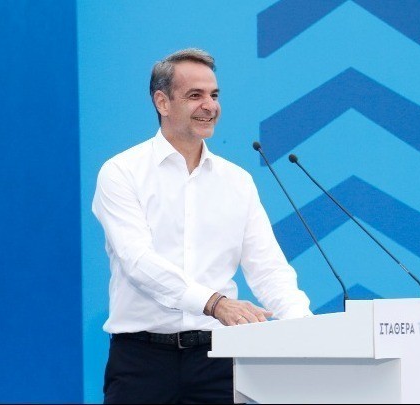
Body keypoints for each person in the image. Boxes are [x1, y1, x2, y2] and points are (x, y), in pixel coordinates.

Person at [92, 48, 312, 404]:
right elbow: (137, 261)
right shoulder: (121, 172)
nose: (210, 106)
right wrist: (214, 303)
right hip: (141, 361)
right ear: (162, 102)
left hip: (218, 360)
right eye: (195, 95)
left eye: (214, 95)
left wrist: (304, 328)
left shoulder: (237, 181)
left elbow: (268, 269)